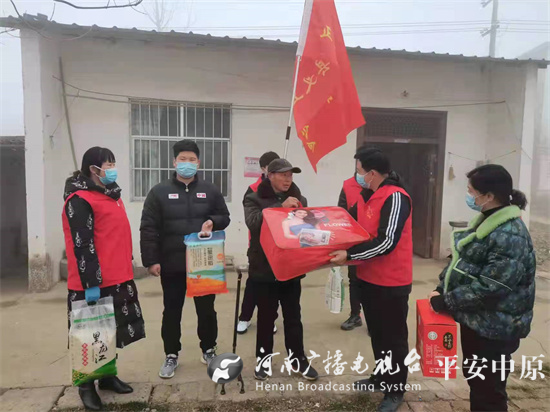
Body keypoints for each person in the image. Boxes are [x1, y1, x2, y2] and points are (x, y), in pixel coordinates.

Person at [428, 164, 535, 412]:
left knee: (489, 390)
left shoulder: (510, 233)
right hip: (478, 321)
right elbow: (465, 262)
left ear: (488, 196)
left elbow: (493, 286)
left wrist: (448, 301)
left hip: (496, 328)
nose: (468, 196)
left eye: (471, 191)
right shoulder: (487, 222)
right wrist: (443, 287)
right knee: (478, 381)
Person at [330, 148, 412, 412]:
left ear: (372, 173)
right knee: (377, 333)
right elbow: (347, 223)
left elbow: (386, 242)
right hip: (368, 278)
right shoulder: (368, 196)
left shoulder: (395, 197)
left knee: (394, 338)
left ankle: (395, 390)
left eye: (360, 171)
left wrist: (350, 254)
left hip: (391, 282)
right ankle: (381, 376)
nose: (357, 176)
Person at [63, 147, 145, 411]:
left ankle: (107, 377)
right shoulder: (79, 199)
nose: (112, 169)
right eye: (108, 164)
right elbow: (82, 244)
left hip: (117, 276)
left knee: (111, 331)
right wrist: (91, 283)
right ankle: (86, 386)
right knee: (89, 335)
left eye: (113, 163)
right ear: (93, 169)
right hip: (92, 281)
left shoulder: (111, 196)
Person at [139, 139, 230, 379]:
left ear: (198, 163)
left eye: (191, 159)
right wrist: (151, 260)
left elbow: (224, 216)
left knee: (207, 310)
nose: (187, 163)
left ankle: (208, 349)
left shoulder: (210, 190)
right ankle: (171, 354)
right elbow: (148, 228)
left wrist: (212, 221)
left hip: (203, 263)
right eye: (182, 159)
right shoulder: (159, 192)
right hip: (172, 263)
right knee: (172, 311)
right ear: (174, 162)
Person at [244, 158, 319, 381]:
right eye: (283, 175)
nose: (288, 179)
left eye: (290, 175)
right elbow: (253, 223)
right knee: (266, 318)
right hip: (264, 266)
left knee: (293, 317)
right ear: (270, 176)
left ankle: (298, 359)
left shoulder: (299, 199)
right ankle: (263, 361)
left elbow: (307, 228)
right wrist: (279, 209)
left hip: (290, 266)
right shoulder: (253, 197)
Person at [238, 151, 280, 335]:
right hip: (258, 245)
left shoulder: (284, 190)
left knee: (275, 285)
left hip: (278, 245)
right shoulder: (253, 190)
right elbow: (253, 219)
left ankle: (270, 319)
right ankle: (244, 317)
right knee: (254, 283)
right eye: (271, 168)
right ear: (263, 169)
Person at [337, 172, 371, 331]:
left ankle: (373, 320)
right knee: (354, 279)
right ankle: (355, 315)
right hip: (354, 240)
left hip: (373, 241)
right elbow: (341, 214)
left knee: (372, 282)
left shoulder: (379, 186)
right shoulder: (347, 185)